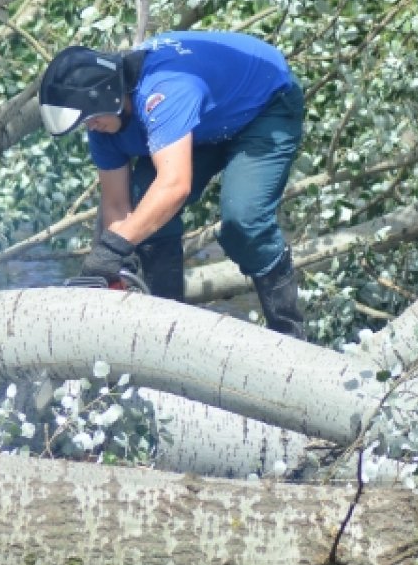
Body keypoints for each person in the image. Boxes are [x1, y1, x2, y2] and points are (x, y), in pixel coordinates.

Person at [38, 30, 308, 339]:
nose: (90, 127)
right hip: (205, 120)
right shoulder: (103, 125)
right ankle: (168, 329)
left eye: (90, 119)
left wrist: (113, 246)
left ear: (109, 96)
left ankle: (289, 332)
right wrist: (112, 265)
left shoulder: (164, 94)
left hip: (264, 104)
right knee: (143, 205)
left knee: (243, 219)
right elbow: (117, 204)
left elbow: (175, 187)